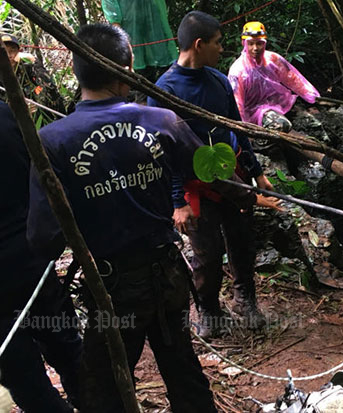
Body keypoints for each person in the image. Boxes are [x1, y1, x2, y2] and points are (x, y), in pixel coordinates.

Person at [27, 23, 219, 412]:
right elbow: (211, 173)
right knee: (183, 370)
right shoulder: (162, 121)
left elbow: (43, 238)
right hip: (168, 277)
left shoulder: (53, 141)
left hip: (111, 288)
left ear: (79, 72)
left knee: (105, 390)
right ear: (127, 67)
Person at [148, 11, 280, 339]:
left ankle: (244, 299)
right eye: (218, 43)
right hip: (196, 186)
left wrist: (257, 172)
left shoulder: (219, 81)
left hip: (232, 177)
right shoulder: (164, 91)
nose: (222, 49)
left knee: (242, 242)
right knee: (205, 255)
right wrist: (177, 201)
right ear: (198, 44)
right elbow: (165, 153)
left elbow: (237, 129)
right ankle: (209, 309)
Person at [0, 101, 82, 413]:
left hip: (27, 259)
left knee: (25, 378)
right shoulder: (6, 112)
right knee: (67, 350)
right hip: (32, 257)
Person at [227, 21, 320, 133]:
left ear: (265, 43)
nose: (255, 48)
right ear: (244, 44)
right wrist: (242, 129)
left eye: (259, 43)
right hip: (252, 111)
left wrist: (312, 97)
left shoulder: (272, 59)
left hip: (278, 103)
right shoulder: (238, 70)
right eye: (251, 43)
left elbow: (293, 78)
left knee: (312, 123)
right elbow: (236, 103)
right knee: (281, 125)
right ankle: (260, 144)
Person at [101, 0, 178, 83]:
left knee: (167, 83)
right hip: (133, 39)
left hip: (157, 36)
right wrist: (123, 44)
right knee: (141, 84)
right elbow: (112, 11)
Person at [1, 33, 65, 122]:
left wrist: (34, 61)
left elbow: (48, 87)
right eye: (4, 51)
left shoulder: (27, 67)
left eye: (12, 50)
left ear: (19, 51)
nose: (9, 55)